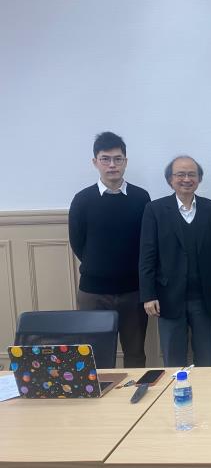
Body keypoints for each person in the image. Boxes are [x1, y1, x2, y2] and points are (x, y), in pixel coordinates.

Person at [68, 131, 150, 368]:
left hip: (133, 291)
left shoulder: (141, 197)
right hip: (94, 291)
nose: (112, 165)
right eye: (105, 159)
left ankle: (134, 401)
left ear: (125, 161)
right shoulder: (83, 199)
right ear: (95, 162)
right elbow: (78, 242)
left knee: (135, 353)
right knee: (95, 355)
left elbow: (146, 244)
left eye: (118, 159)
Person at [139, 155, 211, 367]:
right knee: (173, 360)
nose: (186, 179)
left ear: (199, 179)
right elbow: (147, 254)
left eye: (191, 174)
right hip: (167, 297)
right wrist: (148, 295)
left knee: (206, 358)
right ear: (170, 179)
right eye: (180, 174)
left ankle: (207, 397)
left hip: (203, 297)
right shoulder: (155, 210)